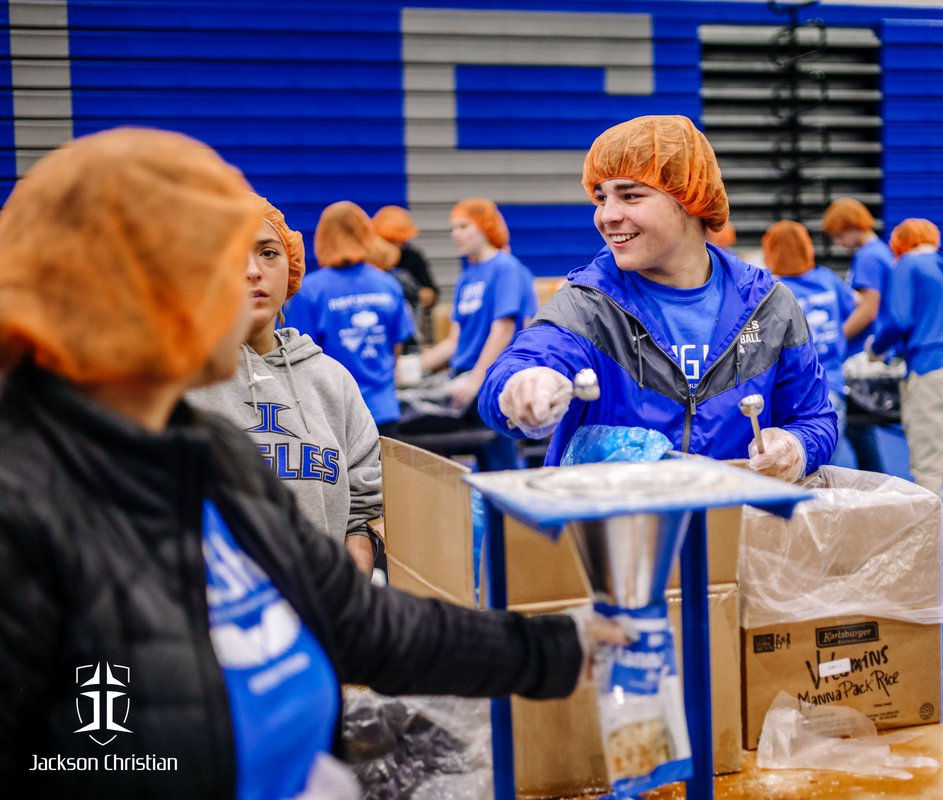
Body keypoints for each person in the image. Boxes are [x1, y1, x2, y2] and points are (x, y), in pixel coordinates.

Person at [0, 129, 619, 799]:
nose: (243, 278)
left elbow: (359, 621)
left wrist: (564, 648)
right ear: (121, 287)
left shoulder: (205, 453)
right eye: (212, 255)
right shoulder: (23, 505)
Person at [478, 115, 838, 480]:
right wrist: (521, 386)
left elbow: (813, 418)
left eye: (631, 195)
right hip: (613, 532)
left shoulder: (767, 306)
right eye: (601, 198)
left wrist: (796, 448)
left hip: (735, 530)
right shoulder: (590, 303)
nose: (607, 216)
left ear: (689, 199)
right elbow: (526, 360)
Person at [189, 194, 382, 576]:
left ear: (291, 268)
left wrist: (349, 598)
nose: (252, 271)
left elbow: (362, 510)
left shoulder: (332, 381)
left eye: (268, 253)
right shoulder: (178, 384)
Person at [866, 218, 943, 587]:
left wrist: (874, 350)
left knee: (929, 468)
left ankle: (929, 560)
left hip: (931, 370)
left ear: (901, 243)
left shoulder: (909, 265)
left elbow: (896, 319)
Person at [392, 199, 535, 470]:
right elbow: (454, 341)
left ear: (484, 227)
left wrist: (477, 378)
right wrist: (413, 368)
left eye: (463, 226)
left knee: (499, 469)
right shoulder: (467, 278)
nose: (454, 234)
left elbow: (503, 329)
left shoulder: (506, 268)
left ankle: (508, 514)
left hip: (493, 381)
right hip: (464, 383)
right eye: (452, 228)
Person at [286, 201, 415, 438]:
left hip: (333, 414)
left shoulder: (310, 291)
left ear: (322, 239)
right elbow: (397, 345)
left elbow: (298, 357)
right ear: (367, 235)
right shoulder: (387, 284)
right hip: (384, 411)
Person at [762, 220, 856, 468]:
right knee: (822, 469)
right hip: (833, 384)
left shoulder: (774, 290)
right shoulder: (827, 278)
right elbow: (857, 309)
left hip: (796, 393)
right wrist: (839, 340)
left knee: (796, 472)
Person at [822, 197, 892, 472]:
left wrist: (835, 338)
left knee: (850, 428)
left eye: (839, 235)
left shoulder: (868, 257)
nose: (839, 242)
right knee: (859, 430)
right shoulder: (879, 251)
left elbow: (867, 309)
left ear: (852, 226)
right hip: (867, 349)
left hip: (859, 353)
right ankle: (876, 484)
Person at [373, 205, 439, 344]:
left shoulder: (413, 257)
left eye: (400, 240)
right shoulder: (370, 261)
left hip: (410, 325)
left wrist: (419, 295)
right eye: (391, 241)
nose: (397, 245)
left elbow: (431, 293)